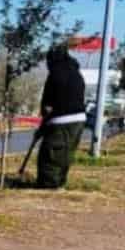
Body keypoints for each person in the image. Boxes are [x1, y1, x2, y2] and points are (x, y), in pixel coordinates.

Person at [36, 45, 87, 189]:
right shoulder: (77, 73)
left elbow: (47, 105)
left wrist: (43, 126)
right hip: (80, 119)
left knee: (50, 156)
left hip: (61, 120)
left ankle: (48, 187)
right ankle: (59, 184)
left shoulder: (55, 73)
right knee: (65, 155)